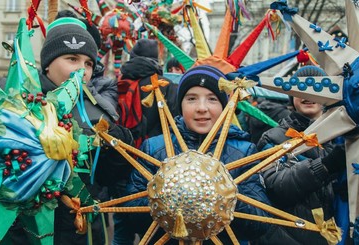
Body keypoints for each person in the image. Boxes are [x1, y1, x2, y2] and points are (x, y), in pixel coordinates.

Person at [118, 65, 271, 244]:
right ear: (180, 105)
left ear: (224, 106)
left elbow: (261, 222)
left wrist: (223, 199)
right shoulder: (154, 149)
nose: (201, 108)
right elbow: (130, 214)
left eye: (212, 99)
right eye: (191, 99)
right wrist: (166, 202)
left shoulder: (244, 152)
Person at [38, 17, 133, 245]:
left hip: (84, 230)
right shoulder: (20, 102)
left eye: (88, 63)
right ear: (48, 63)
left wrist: (119, 146)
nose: (82, 69)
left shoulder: (98, 112)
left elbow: (107, 179)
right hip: (27, 231)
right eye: (72, 58)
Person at [252, 65, 348, 245]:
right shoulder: (274, 137)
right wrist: (325, 166)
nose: (308, 94)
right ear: (291, 95)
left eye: (317, 87)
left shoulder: (343, 138)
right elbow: (275, 188)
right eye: (301, 87)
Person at [119, 38, 179, 139]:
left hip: (123, 148)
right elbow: (176, 122)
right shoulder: (166, 84)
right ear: (156, 58)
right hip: (159, 150)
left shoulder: (120, 83)